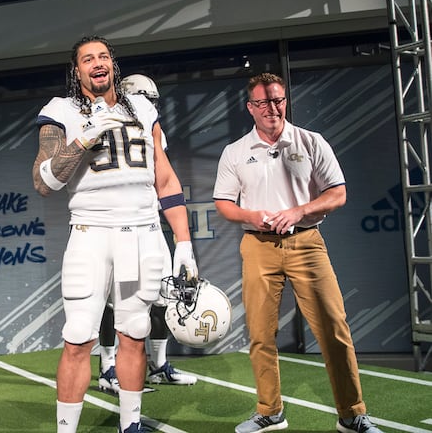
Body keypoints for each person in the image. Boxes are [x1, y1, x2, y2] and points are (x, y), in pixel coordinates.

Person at [32, 35, 196, 433]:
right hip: (91, 232)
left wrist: (184, 242)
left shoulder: (141, 107)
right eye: (88, 59)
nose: (97, 63)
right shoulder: (62, 111)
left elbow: (165, 176)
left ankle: (131, 424)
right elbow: (43, 181)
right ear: (77, 70)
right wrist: (83, 138)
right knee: (77, 337)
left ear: (113, 63)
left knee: (135, 332)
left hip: (141, 232)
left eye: (103, 56)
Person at [213, 72, 383, 433]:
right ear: (250, 107)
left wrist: (299, 211)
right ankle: (270, 412)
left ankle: (352, 414)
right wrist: (253, 215)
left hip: (307, 243)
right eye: (262, 102)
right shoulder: (236, 152)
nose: (271, 108)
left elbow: (337, 193)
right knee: (261, 334)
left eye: (277, 100)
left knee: (334, 328)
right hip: (258, 246)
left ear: (285, 101)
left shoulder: (310, 141)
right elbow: (224, 204)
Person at [97, 74, 198, 395]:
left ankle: (158, 366)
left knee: (161, 296)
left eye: (153, 101)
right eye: (145, 99)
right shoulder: (103, 126)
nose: (150, 107)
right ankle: (107, 369)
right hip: (116, 226)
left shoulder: (152, 129)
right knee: (114, 303)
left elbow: (164, 179)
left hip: (150, 224)